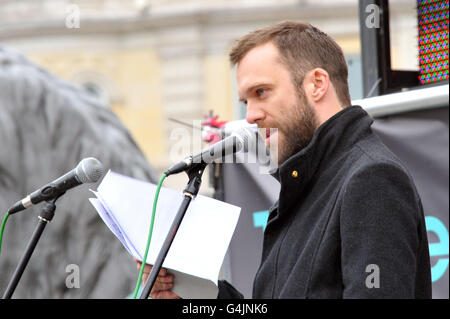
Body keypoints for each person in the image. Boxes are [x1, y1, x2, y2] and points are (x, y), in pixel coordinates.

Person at [136, 21, 432, 299]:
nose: (250, 115)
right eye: (246, 101)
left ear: (317, 84)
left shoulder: (371, 177)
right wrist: (198, 294)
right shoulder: (305, 183)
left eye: (261, 92)